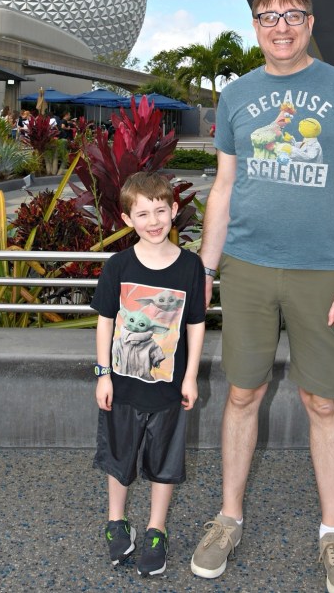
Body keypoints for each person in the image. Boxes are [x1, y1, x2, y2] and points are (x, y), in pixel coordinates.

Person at [190, 0, 334, 592]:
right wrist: (207, 268)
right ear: (254, 25)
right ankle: (228, 517)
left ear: (309, 21)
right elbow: (222, 188)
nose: (280, 26)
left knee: (322, 401)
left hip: (321, 271)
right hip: (246, 266)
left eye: (291, 16)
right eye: (268, 16)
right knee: (242, 395)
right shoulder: (238, 95)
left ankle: (332, 533)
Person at [90, 171, 206, 578]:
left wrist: (190, 376)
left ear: (174, 211)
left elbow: (195, 324)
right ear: (127, 220)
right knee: (119, 455)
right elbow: (105, 321)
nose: (153, 221)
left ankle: (157, 528)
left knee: (164, 459)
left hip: (168, 389)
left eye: (160, 210)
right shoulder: (118, 266)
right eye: (143, 214)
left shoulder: (191, 267)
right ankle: (116, 521)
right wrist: (103, 373)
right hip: (121, 386)